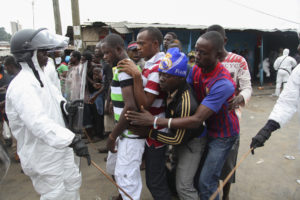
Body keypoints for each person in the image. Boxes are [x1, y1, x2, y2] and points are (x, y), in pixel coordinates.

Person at [126, 31, 239, 200]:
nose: (197, 55)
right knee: (189, 177)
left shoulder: (224, 83)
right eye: (196, 50)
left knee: (205, 182)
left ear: (218, 54)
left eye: (203, 53)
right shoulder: (195, 70)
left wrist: (153, 122)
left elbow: (196, 119)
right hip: (198, 130)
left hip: (221, 134)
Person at [6, 28, 90, 200]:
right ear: (28, 54)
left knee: (72, 182)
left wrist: (66, 107)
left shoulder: (41, 77)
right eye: (42, 52)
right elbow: (38, 122)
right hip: (42, 153)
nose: (47, 55)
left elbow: (55, 100)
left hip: (60, 147)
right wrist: (71, 139)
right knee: (55, 194)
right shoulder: (22, 86)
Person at [129, 47, 207, 200]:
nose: (161, 78)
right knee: (171, 176)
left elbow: (178, 139)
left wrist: (149, 132)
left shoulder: (186, 103)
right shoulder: (169, 89)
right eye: (160, 74)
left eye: (167, 75)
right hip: (178, 137)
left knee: (184, 186)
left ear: (180, 78)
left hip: (192, 142)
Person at [118, 27, 171, 200]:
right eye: (137, 43)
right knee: (156, 175)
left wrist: (136, 76)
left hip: (156, 130)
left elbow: (144, 104)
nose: (138, 47)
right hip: (150, 128)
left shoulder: (158, 66)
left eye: (142, 43)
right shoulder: (149, 64)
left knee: (155, 182)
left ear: (155, 44)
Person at [206, 24, 252, 200]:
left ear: (224, 40)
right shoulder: (205, 59)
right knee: (209, 163)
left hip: (230, 119)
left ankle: (225, 195)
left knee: (227, 162)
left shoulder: (238, 61)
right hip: (207, 117)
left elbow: (247, 87)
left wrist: (240, 98)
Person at [101, 33, 144, 200]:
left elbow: (131, 106)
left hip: (129, 134)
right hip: (123, 132)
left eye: (107, 53)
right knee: (114, 170)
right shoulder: (121, 67)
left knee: (128, 181)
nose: (104, 57)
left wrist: (112, 136)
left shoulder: (125, 69)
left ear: (119, 49)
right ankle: (122, 195)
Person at [250, 63, 300, 157]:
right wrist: (267, 130)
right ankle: (277, 93)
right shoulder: (298, 71)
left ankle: (277, 92)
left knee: (279, 83)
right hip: (286, 72)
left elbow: (276, 65)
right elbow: (287, 102)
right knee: (282, 83)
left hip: (281, 70)